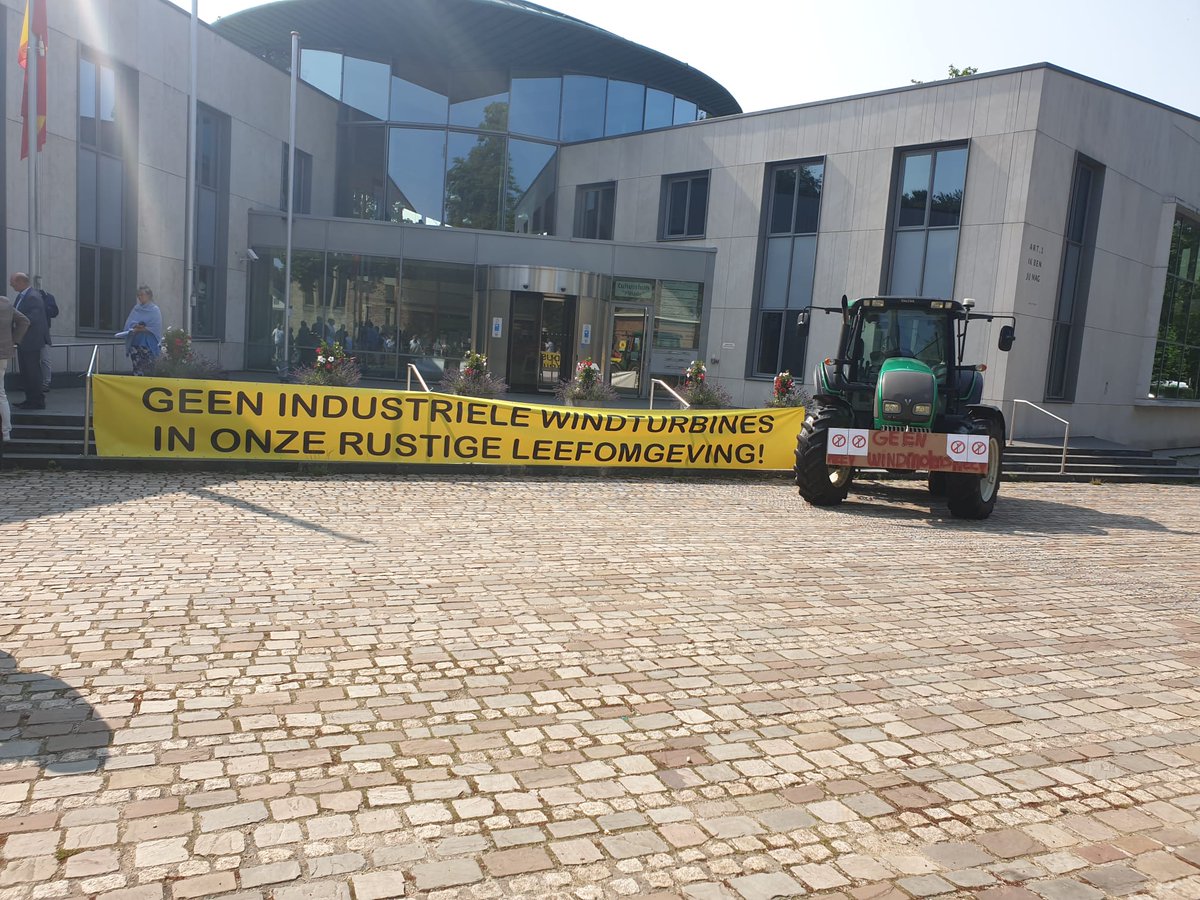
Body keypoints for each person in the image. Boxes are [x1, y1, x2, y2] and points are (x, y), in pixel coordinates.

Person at [8, 273, 48, 409]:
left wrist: (14, 322)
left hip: (31, 340)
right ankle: (30, 399)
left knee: (32, 371)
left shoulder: (33, 297)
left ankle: (37, 401)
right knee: (26, 372)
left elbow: (31, 319)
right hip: (24, 340)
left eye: (13, 282)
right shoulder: (22, 296)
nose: (11, 285)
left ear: (20, 281)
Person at [0, 293, 31, 441]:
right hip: (3, 354)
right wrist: (15, 341)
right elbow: (24, 321)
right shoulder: (6, 304)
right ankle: (6, 432)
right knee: (1, 394)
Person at [122, 285, 163, 376]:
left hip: (148, 344)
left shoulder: (155, 310)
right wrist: (135, 326)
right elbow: (129, 323)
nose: (139, 297)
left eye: (141, 295)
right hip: (135, 343)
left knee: (148, 370)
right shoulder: (136, 308)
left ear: (149, 296)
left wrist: (143, 329)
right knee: (137, 368)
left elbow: (156, 327)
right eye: (138, 295)